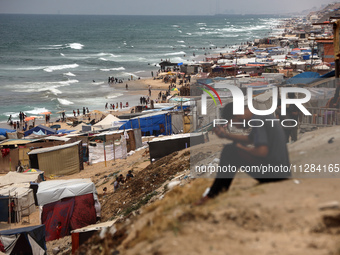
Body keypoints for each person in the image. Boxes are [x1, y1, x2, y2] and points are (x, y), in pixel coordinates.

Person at [195, 102, 291, 205]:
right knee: (233, 148)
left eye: (234, 123)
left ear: (238, 115)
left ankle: (213, 194)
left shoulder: (257, 120)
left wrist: (242, 148)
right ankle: (216, 192)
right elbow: (250, 139)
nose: (237, 127)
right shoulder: (261, 116)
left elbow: (262, 152)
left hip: (275, 174)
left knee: (230, 151)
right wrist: (226, 135)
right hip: (281, 171)